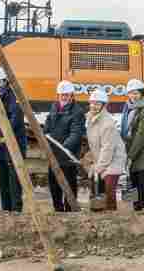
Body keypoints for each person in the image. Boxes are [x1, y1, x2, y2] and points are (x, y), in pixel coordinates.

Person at [0, 66, 26, 213]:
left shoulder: (12, 97)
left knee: (14, 181)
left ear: (5, 81)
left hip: (13, 145)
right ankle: (6, 210)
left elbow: (14, 120)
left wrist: (0, 132)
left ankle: (16, 210)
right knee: (4, 180)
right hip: (3, 146)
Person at [45, 80, 85, 212]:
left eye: (67, 95)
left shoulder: (77, 111)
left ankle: (70, 209)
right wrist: (45, 133)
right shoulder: (54, 107)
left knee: (69, 183)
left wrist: (64, 147)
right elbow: (48, 124)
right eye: (62, 94)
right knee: (54, 182)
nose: (64, 97)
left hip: (68, 154)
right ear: (58, 95)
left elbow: (76, 133)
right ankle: (58, 208)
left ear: (71, 95)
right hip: (54, 153)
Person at [85, 88, 126, 211]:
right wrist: (90, 159)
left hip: (114, 160)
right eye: (92, 103)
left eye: (98, 104)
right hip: (102, 159)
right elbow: (95, 144)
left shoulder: (107, 123)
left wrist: (99, 167)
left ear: (104, 105)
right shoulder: (91, 118)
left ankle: (111, 216)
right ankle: (98, 213)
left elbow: (107, 148)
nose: (94, 106)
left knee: (109, 190)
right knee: (97, 188)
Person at [121, 78, 144, 211]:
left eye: (136, 93)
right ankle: (137, 209)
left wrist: (130, 155)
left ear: (142, 93)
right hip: (131, 149)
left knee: (142, 181)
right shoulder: (128, 107)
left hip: (143, 151)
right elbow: (125, 128)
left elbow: (141, 135)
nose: (133, 96)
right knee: (133, 180)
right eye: (131, 93)